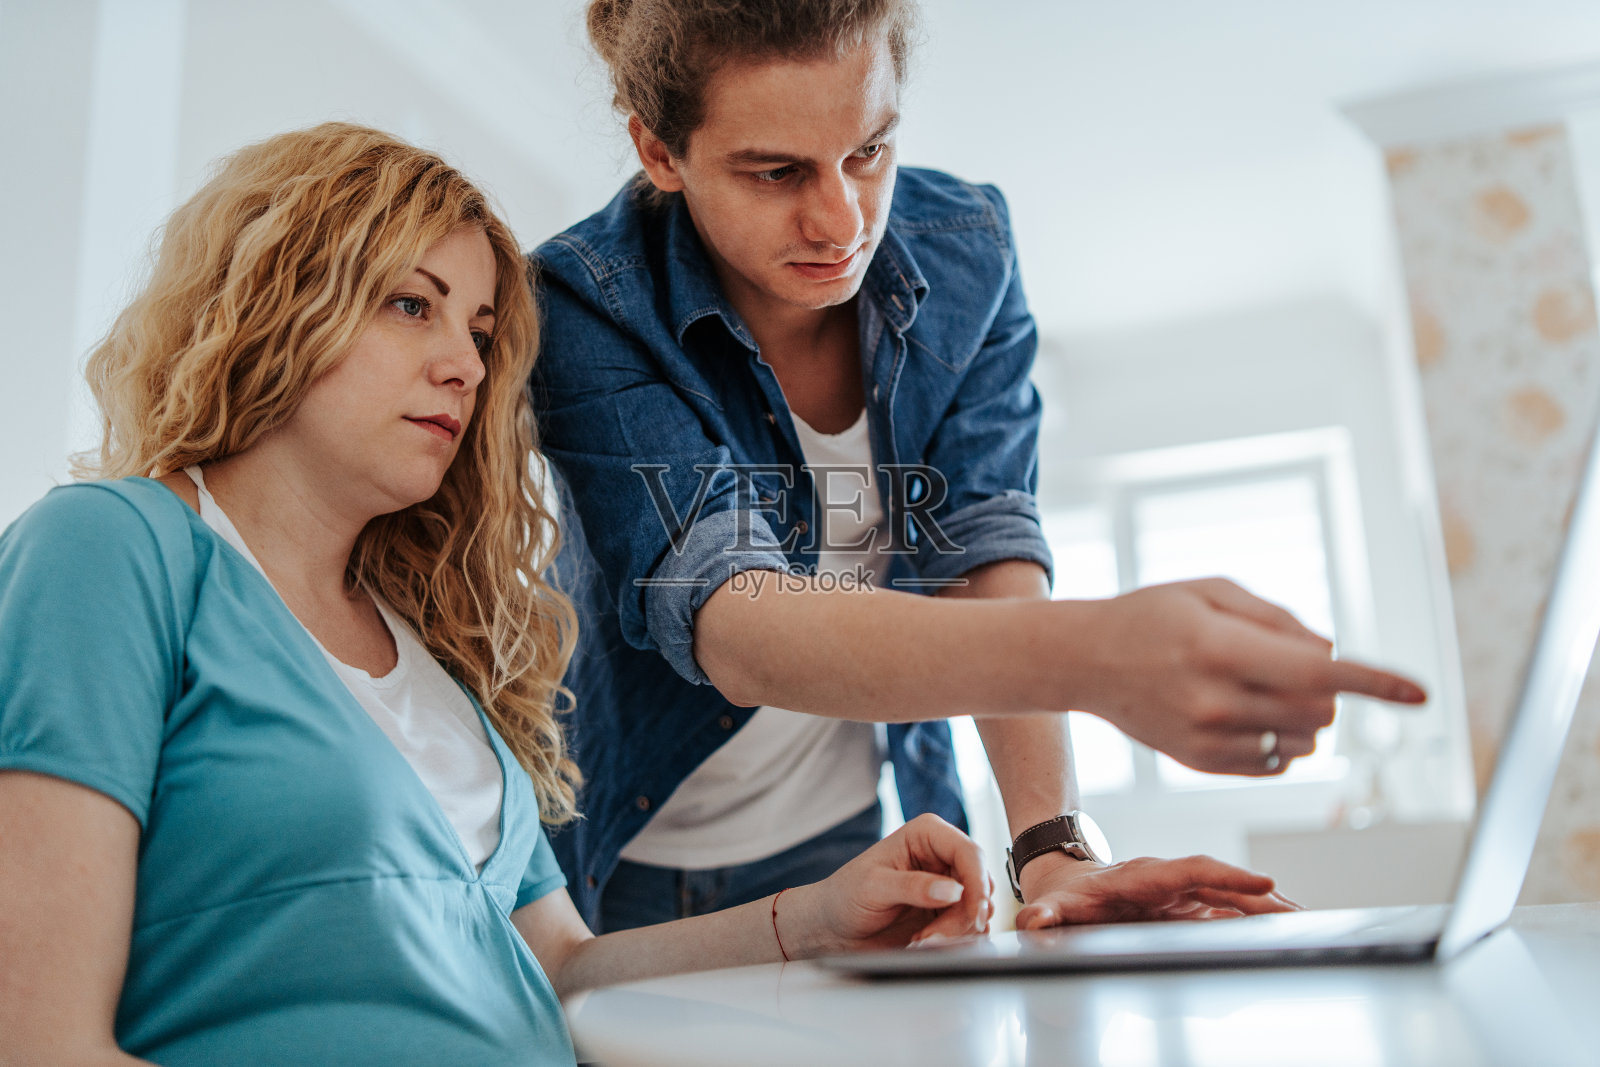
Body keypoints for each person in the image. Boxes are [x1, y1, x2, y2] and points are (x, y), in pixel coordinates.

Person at [0, 123, 995, 1067]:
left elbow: (561, 969)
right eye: (410, 304)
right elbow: (41, 1041)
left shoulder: (430, 653)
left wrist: (818, 915)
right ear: (276, 296)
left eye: (480, 330)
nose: (465, 365)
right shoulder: (111, 549)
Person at [532, 0, 1427, 934]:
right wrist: (1099, 655)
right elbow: (735, 624)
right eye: (777, 171)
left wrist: (1054, 849)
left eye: (869, 151)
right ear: (660, 151)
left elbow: (982, 548)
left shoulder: (969, 250)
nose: (841, 220)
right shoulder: (584, 304)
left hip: (846, 835)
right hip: (622, 846)